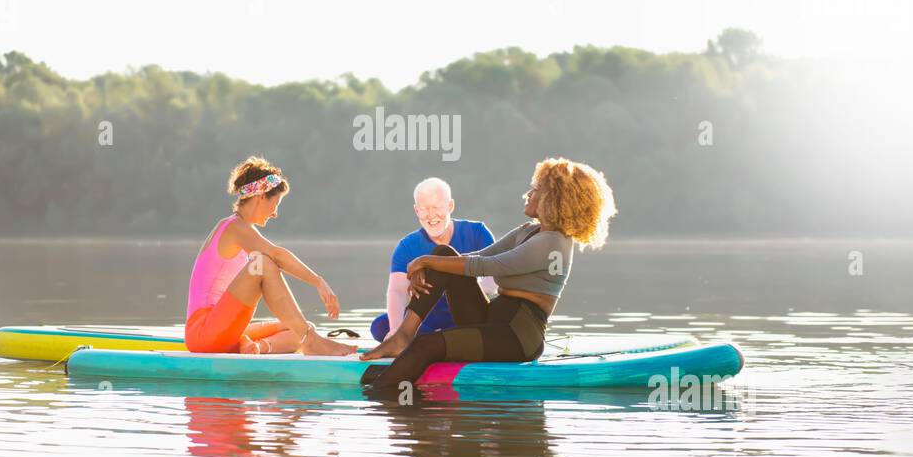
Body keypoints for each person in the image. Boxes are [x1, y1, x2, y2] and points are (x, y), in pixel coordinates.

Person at [360, 158, 616, 390]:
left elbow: (487, 265)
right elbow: (472, 257)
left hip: (517, 335)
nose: (527, 194)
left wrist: (425, 260)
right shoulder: (529, 230)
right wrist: (430, 264)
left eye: (535, 189)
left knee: (426, 345)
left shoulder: (553, 244)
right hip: (492, 317)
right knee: (445, 253)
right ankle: (402, 335)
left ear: (554, 198)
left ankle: (378, 398)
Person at [185, 156, 358, 356]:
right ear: (260, 196)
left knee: (297, 327)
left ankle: (256, 348)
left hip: (220, 330)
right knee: (263, 263)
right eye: (275, 203)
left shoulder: (241, 230)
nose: (275, 213)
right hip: (203, 333)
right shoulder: (233, 227)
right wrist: (318, 282)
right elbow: (276, 254)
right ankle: (311, 341)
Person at [368, 177, 497, 343]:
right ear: (416, 211)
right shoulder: (407, 246)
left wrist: (456, 285)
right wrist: (395, 329)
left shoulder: (477, 232)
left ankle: (439, 338)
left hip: (469, 310)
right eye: (424, 209)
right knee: (380, 326)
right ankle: (442, 337)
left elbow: (492, 283)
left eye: (436, 207)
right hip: (429, 314)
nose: (431, 215)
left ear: (450, 206)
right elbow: (397, 291)